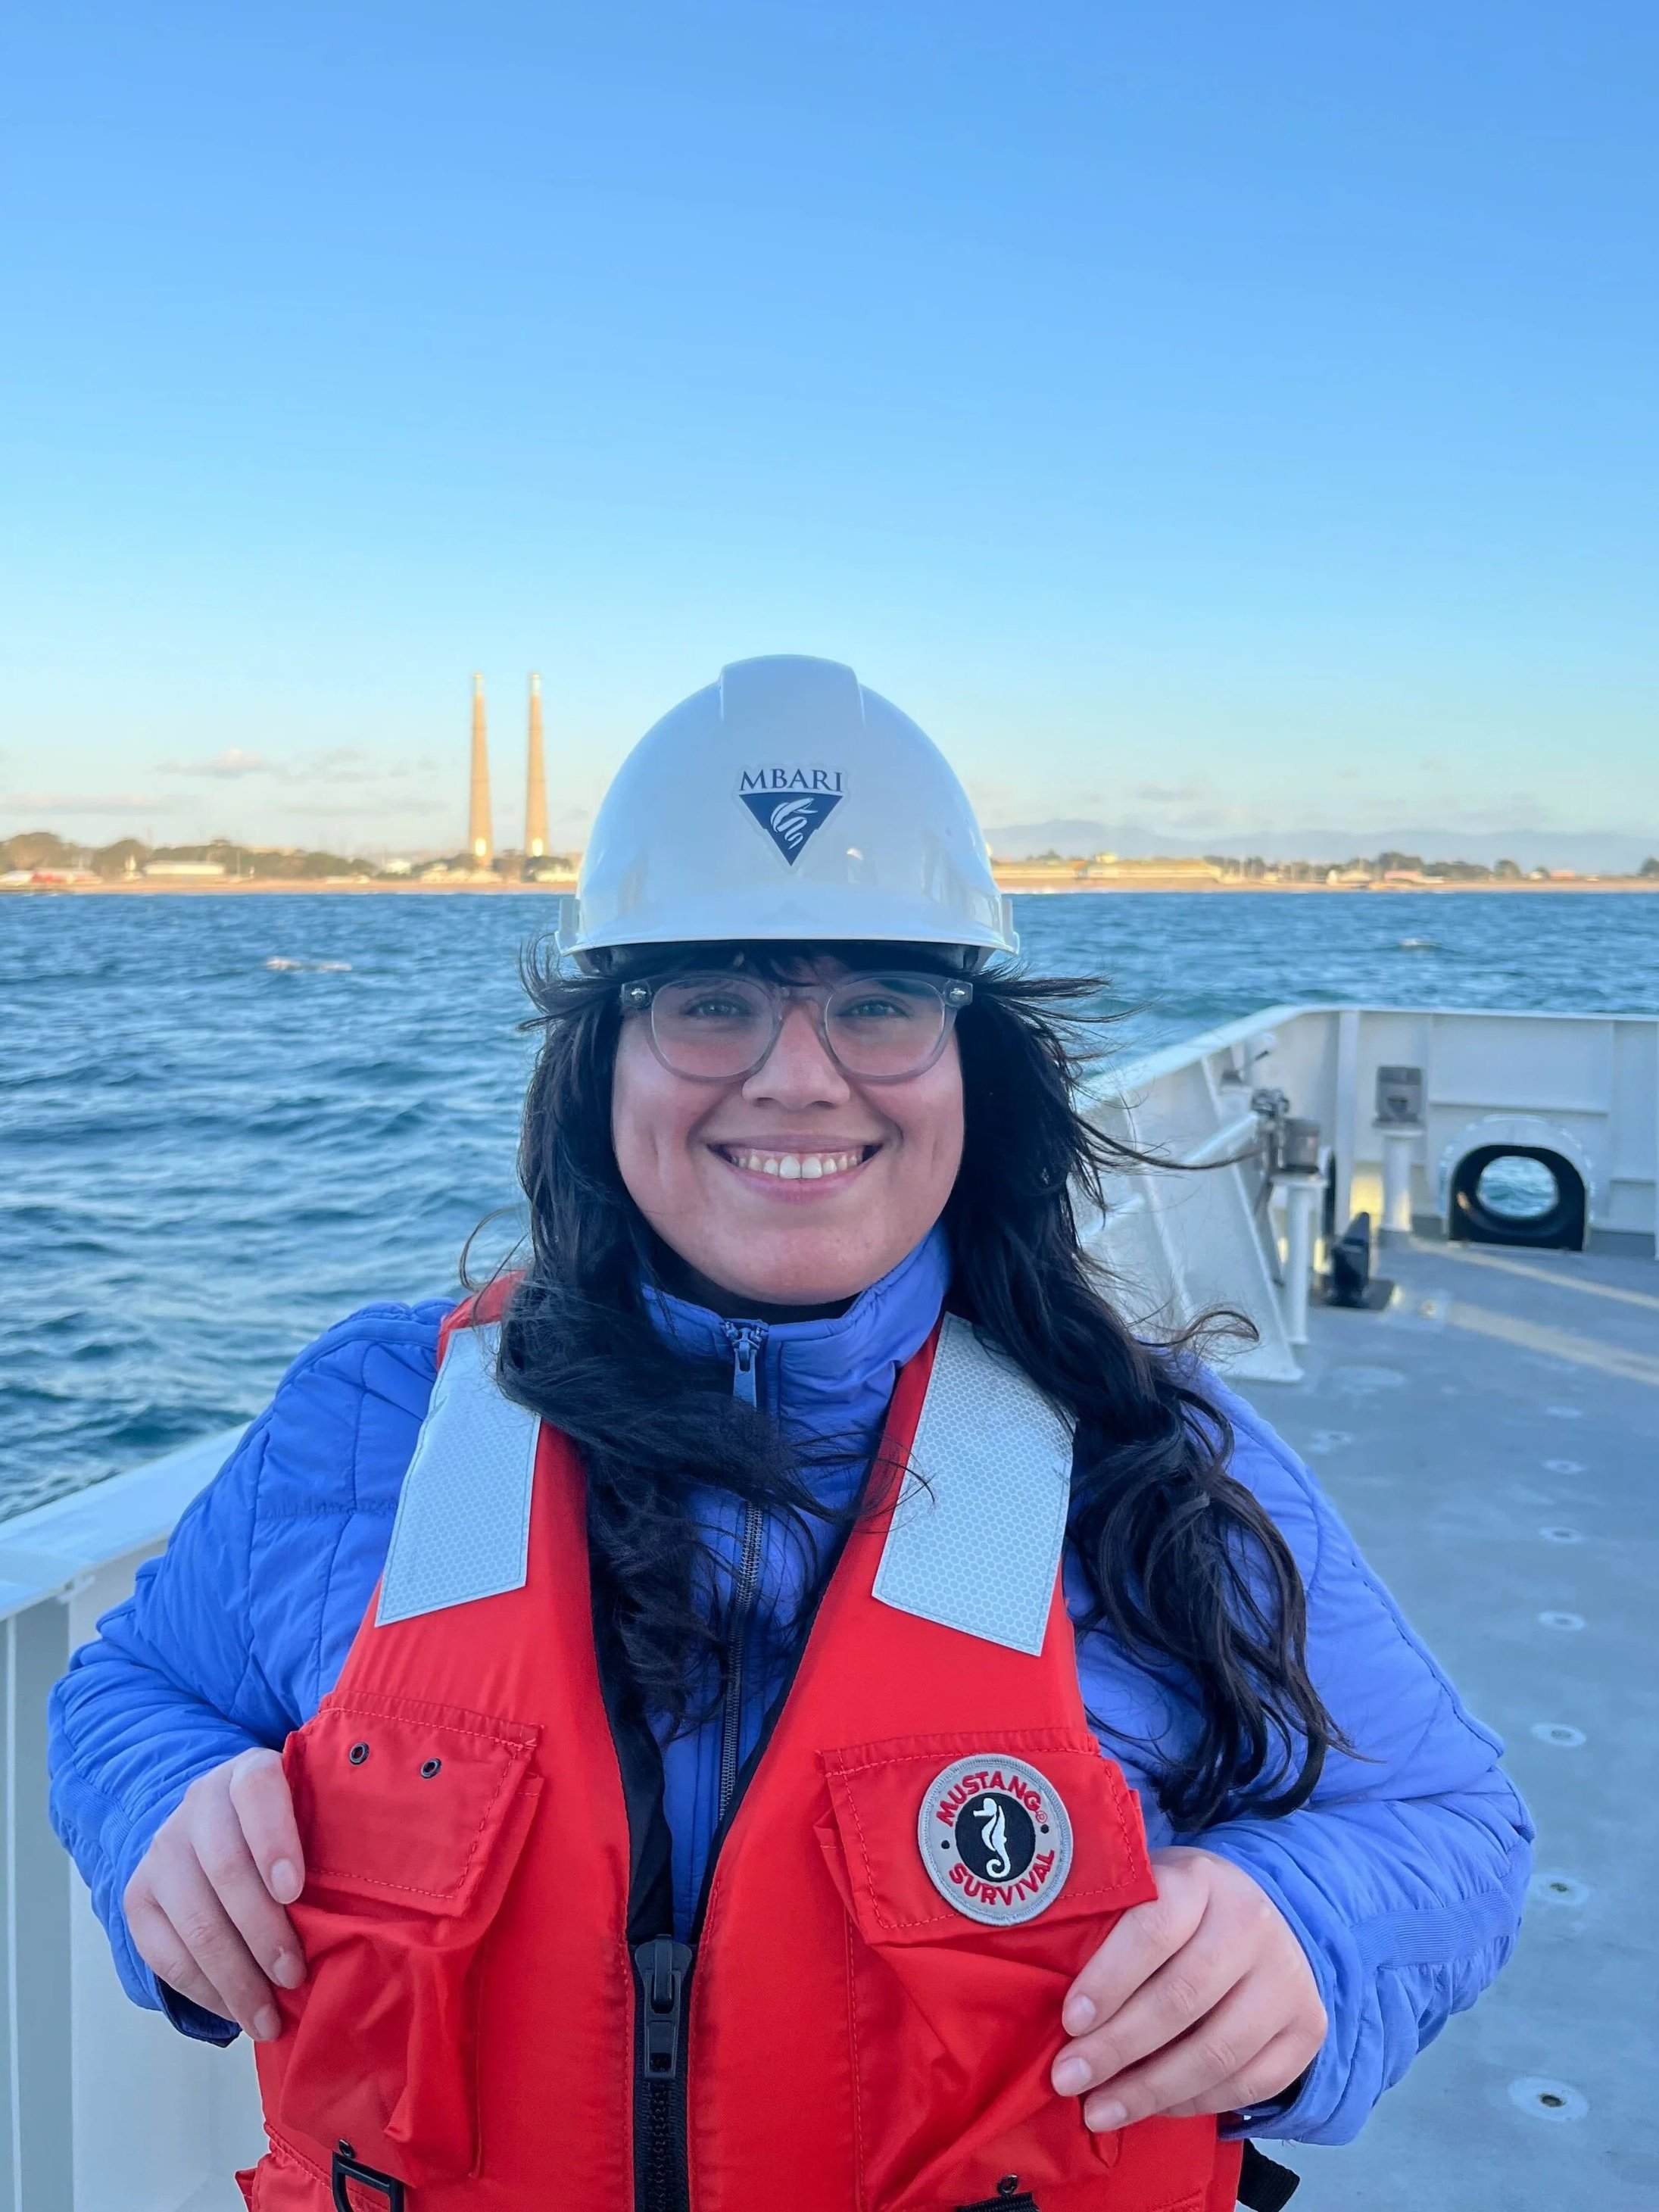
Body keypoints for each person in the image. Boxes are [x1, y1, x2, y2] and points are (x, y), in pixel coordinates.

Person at [50, 656, 1530, 2212]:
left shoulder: (1137, 1452)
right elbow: (136, 1687)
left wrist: (1308, 1923)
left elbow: (1448, 1823)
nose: (799, 1078)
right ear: (597, 1062)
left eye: (880, 1004)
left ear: (973, 1061)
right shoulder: (377, 1417)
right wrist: (160, 1801)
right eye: (712, 1002)